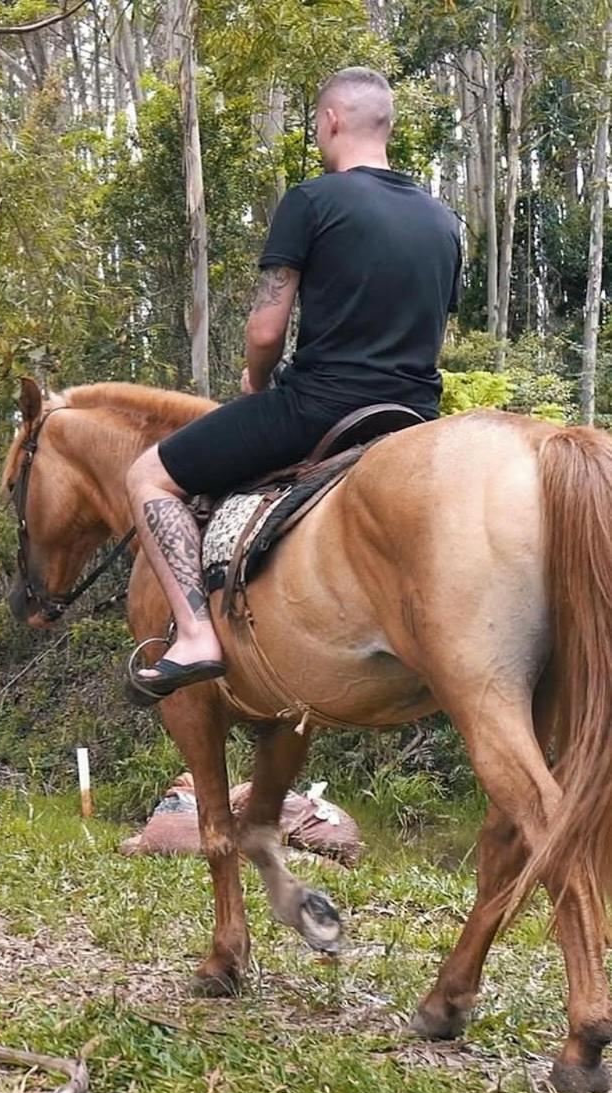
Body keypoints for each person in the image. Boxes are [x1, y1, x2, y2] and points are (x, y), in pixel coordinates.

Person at [126, 66, 462, 702]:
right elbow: (433, 329)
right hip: (416, 418)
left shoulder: (312, 200)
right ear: (386, 125)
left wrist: (256, 383)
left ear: (331, 120)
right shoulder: (443, 220)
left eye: (316, 123)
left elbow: (264, 330)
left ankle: (194, 636)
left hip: (320, 407)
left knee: (149, 476)